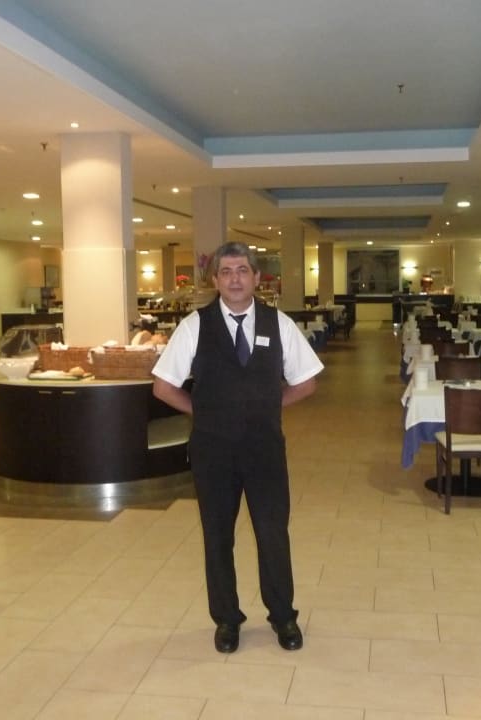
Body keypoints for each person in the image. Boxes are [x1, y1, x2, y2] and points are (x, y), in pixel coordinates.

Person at [152, 241, 323, 653]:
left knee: (272, 533)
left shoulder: (279, 324)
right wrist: (203, 412)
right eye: (226, 271)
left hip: (265, 449)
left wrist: (269, 406)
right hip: (213, 452)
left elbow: (306, 382)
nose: (234, 279)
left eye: (242, 270)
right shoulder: (194, 326)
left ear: (256, 277)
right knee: (217, 536)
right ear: (214, 279)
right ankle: (227, 620)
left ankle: (283, 617)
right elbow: (163, 387)